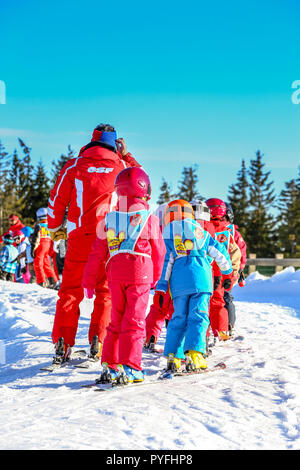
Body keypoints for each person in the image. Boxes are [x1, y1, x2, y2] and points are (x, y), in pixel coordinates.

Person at [48, 124, 142, 363]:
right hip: (110, 238)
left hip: (79, 236)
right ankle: (98, 341)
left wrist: (54, 225)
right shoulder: (121, 166)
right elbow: (141, 183)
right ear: (114, 143)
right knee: (106, 292)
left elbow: (57, 199)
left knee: (70, 291)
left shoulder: (74, 165)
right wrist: (126, 155)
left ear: (92, 140)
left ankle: (62, 343)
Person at [82, 167, 165, 384]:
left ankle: (110, 364)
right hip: (140, 274)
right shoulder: (150, 218)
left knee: (116, 319)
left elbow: (97, 253)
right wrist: (156, 276)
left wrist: (89, 281)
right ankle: (132, 367)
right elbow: (160, 251)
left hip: (115, 273)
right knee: (135, 321)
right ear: (144, 190)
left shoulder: (109, 219)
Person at [155, 199, 233, 373]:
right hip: (201, 281)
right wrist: (227, 270)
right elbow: (218, 251)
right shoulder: (201, 232)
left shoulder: (168, 233)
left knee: (178, 318)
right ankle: (195, 354)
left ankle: (173, 356)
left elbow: (166, 262)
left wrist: (162, 285)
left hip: (179, 285)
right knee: (198, 316)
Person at [205, 198, 241, 342]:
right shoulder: (226, 232)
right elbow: (235, 253)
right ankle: (220, 331)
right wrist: (233, 273)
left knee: (203, 302)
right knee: (218, 302)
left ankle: (204, 333)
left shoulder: (202, 228)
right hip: (221, 273)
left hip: (204, 270)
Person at [224, 202, 247, 334]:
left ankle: (229, 325)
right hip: (221, 270)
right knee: (219, 297)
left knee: (225, 297)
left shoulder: (234, 233)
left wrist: (239, 269)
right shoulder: (215, 229)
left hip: (230, 270)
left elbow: (241, 252)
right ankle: (220, 323)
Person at [31, 208, 59, 288]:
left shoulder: (39, 226)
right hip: (48, 244)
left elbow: (35, 238)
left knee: (38, 263)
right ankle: (53, 280)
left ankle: (41, 282)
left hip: (41, 244)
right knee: (46, 263)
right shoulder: (50, 225)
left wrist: (33, 248)